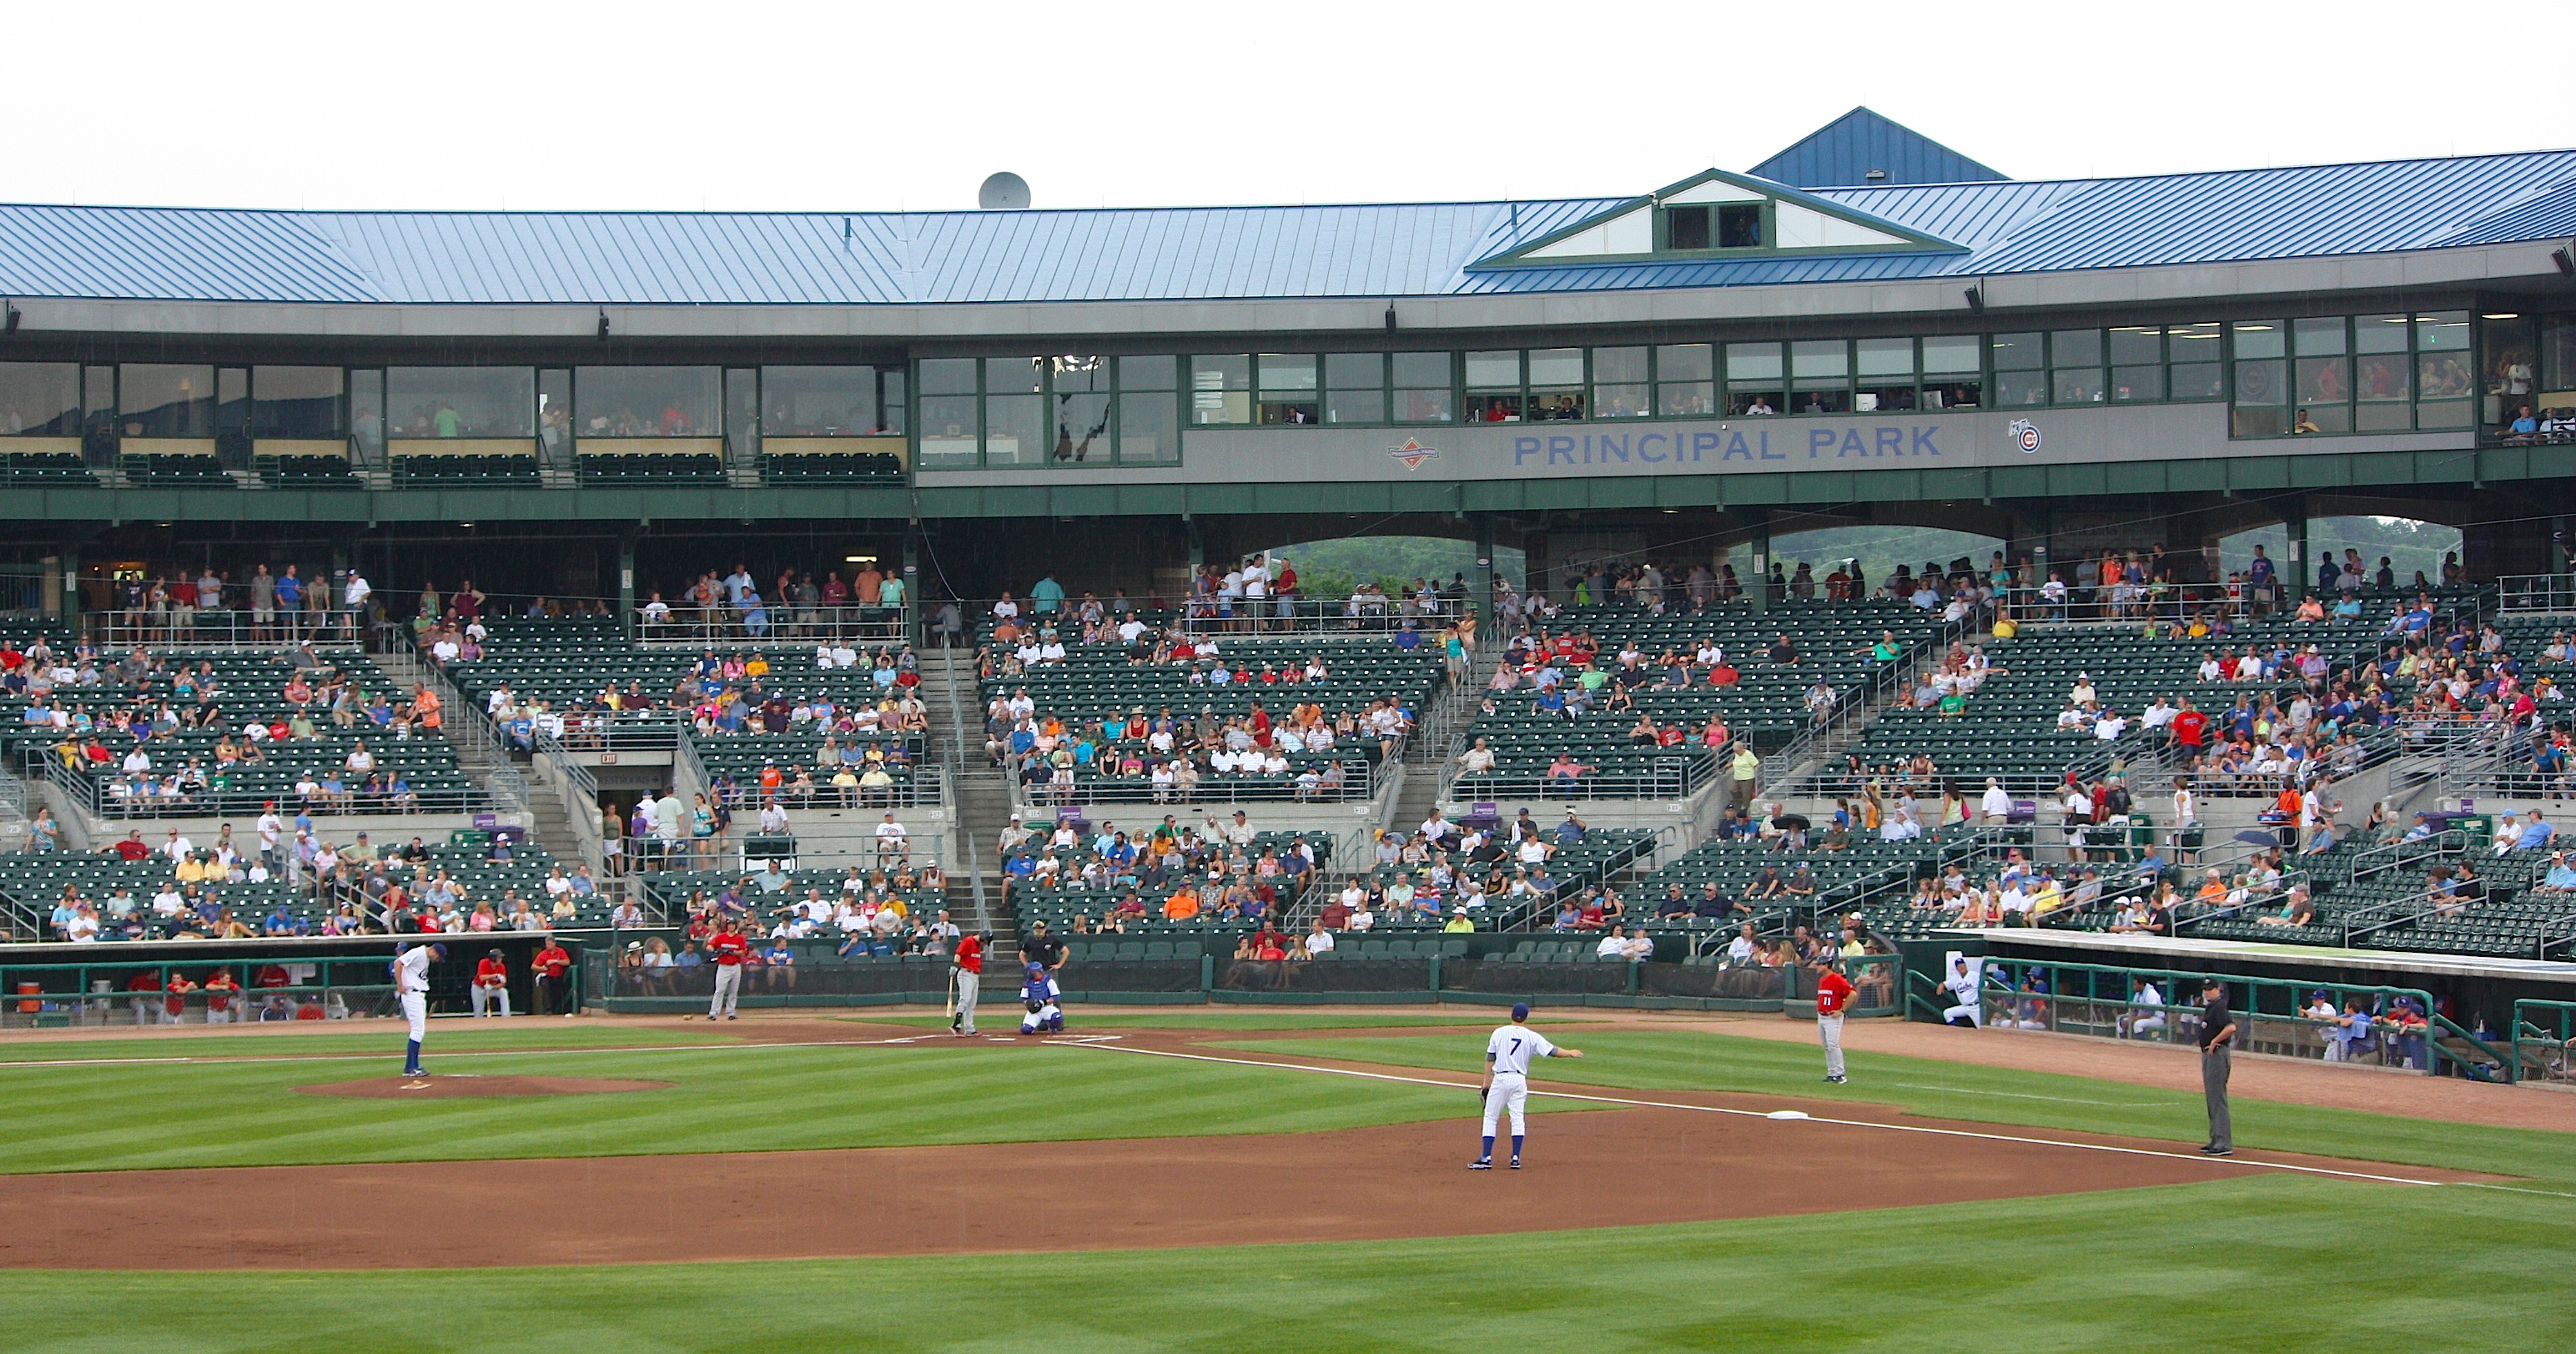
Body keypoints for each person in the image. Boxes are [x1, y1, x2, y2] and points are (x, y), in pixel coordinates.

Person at [1472, 1002, 1582, 1170]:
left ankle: (1486, 1157)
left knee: (1491, 1117)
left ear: (1511, 1014)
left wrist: (1486, 1083)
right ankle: (1515, 1157)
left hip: (1501, 1078)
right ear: (1526, 1018)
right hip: (1519, 1081)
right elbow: (1552, 1051)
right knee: (1517, 1118)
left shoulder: (1499, 1032)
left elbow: (1490, 1058)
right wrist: (1570, 1053)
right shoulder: (1531, 1036)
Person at [395, 941, 446, 1081]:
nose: (437, 960)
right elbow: (398, 963)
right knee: (418, 1030)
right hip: (412, 993)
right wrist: (400, 985)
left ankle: (409, 1068)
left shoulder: (424, 956)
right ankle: (414, 1067)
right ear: (434, 951)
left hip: (418, 994)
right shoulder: (418, 952)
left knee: (418, 1030)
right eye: (438, 957)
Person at [2199, 978, 2236, 1156]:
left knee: (2217, 1098)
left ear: (2218, 990)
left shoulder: (2220, 1006)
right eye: (2205, 989)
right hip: (2210, 1055)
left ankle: (2223, 1143)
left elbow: (2231, 1027)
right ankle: (2216, 1139)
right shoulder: (2212, 1007)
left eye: (2210, 989)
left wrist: (2215, 1041)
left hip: (2218, 1055)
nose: (2207, 992)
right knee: (2212, 1098)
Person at [1815, 961, 1855, 1084]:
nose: (1817, 967)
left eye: (1819, 964)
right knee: (1826, 1046)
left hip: (1833, 1018)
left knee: (1833, 1045)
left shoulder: (1837, 979)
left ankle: (1840, 1074)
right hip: (1822, 1016)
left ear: (1826, 965)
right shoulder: (1822, 980)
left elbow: (1852, 994)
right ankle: (1832, 1073)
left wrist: (1842, 1010)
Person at [706, 919, 749, 1020]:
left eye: (733, 925)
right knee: (719, 990)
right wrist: (716, 950)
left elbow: (744, 952)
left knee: (733, 991)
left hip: (735, 966)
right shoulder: (721, 937)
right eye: (729, 924)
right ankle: (713, 1013)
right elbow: (709, 946)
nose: (731, 926)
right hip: (723, 966)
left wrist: (732, 952)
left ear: (736, 926)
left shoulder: (739, 938)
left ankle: (731, 1012)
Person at [949, 929, 987, 1036]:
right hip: (966, 973)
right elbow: (958, 954)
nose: (984, 945)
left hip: (975, 975)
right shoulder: (969, 941)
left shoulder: (978, 945)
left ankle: (969, 1028)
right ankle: (956, 1024)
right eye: (984, 942)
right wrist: (954, 966)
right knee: (965, 999)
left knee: (972, 1003)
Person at [1019, 958, 1064, 1035]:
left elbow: (1055, 996)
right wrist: (1031, 1005)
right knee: (1026, 1030)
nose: (1029, 972)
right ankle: (1033, 1025)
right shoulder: (1027, 983)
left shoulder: (1049, 981)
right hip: (1034, 1011)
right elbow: (1024, 998)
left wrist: (1043, 1002)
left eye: (1031, 971)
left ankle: (1053, 1028)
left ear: (1037, 971)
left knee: (1057, 1017)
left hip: (1047, 1007)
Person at [531, 935, 573, 1017]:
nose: (547, 946)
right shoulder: (543, 954)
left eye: (549, 944)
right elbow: (533, 966)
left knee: (557, 993)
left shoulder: (560, 951)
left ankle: (559, 1010)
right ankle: (548, 1010)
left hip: (558, 976)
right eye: (546, 944)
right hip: (547, 976)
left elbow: (567, 962)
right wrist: (542, 968)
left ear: (554, 943)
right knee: (545, 988)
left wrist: (555, 961)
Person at [1940, 955, 1982, 1027]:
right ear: (1957, 968)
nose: (1961, 967)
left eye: (1962, 965)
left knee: (1981, 1028)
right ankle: (1956, 1030)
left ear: (1966, 966)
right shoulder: (1955, 978)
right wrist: (1941, 986)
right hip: (1965, 1007)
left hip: (1976, 1007)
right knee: (1947, 1013)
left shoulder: (1975, 975)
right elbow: (1945, 984)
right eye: (1959, 966)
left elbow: (1987, 984)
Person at [470, 949, 511, 1018]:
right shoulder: (483, 962)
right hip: (478, 988)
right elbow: (482, 977)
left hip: (491, 988)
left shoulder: (501, 966)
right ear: (494, 958)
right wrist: (495, 975)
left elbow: (503, 983)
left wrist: (492, 987)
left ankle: (506, 1015)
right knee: (478, 1012)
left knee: (503, 992)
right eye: (499, 957)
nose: (501, 959)